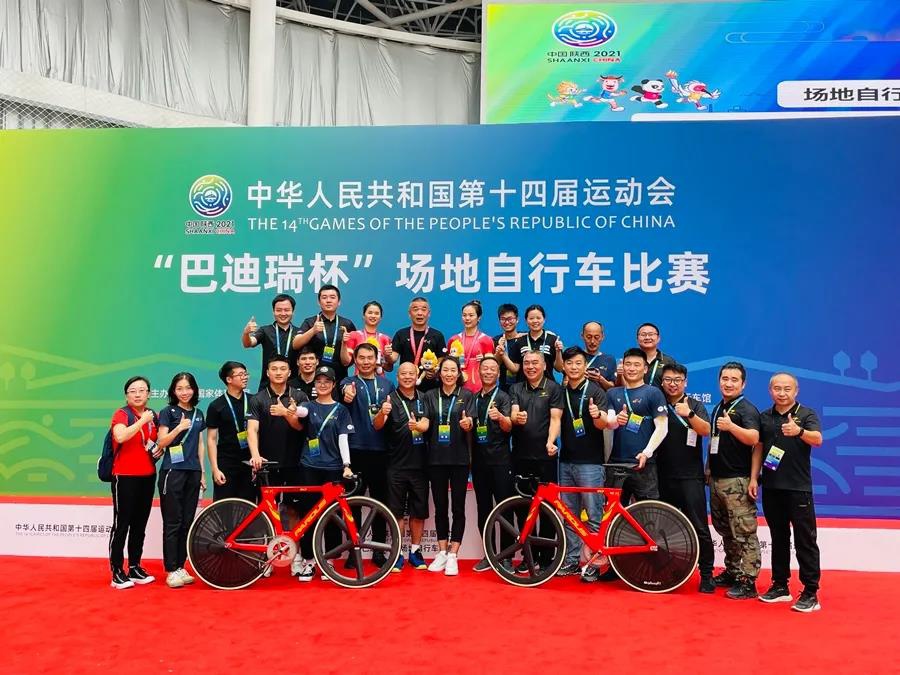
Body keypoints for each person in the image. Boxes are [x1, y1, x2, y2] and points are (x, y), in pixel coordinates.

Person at [755, 372, 823, 612]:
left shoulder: (806, 414)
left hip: (798, 488)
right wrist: (754, 478)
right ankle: (780, 586)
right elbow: (759, 448)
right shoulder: (764, 416)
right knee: (779, 537)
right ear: (770, 390)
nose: (782, 393)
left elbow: (818, 439)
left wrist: (800, 432)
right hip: (771, 486)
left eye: (787, 389)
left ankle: (811, 592)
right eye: (777, 388)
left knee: (805, 540)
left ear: (796, 391)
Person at [291, 366, 355, 581]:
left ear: (334, 384)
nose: (323, 384)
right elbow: (301, 413)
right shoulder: (308, 405)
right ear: (315, 384)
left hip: (333, 469)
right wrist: (293, 409)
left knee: (332, 516)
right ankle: (309, 561)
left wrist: (346, 464)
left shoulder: (341, 410)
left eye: (327, 381)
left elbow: (343, 439)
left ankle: (328, 561)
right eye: (319, 381)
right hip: (309, 467)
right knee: (308, 515)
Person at [657, 363, 715, 593]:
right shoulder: (657, 401)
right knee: (665, 529)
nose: (673, 384)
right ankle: (669, 571)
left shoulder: (695, 404)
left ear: (685, 382)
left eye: (677, 380)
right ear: (662, 382)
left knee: (699, 527)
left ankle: (707, 574)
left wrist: (689, 414)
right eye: (668, 380)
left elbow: (706, 430)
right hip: (662, 475)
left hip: (690, 477)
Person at [707, 361, 762, 600]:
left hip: (737, 481)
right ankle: (732, 571)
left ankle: (749, 581)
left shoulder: (747, 409)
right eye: (725, 379)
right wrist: (708, 470)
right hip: (717, 479)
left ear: (743, 384)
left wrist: (731, 426)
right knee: (725, 530)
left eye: (734, 380)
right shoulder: (719, 407)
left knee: (744, 532)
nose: (728, 383)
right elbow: (714, 441)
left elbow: (754, 438)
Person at [413, 356, 473, 576]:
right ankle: (441, 552)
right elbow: (426, 422)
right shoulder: (430, 395)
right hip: (436, 459)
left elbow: (471, 422)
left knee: (458, 507)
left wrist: (468, 424)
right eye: (445, 370)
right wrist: (418, 425)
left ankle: (453, 554)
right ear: (439, 373)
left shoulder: (467, 395)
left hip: (459, 459)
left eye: (452, 370)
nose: (449, 374)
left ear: (459, 373)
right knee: (440, 507)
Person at [339, 342, 396, 566]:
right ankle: (353, 551)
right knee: (352, 504)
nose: (365, 362)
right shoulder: (348, 382)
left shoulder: (387, 384)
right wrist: (347, 394)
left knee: (379, 504)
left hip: (381, 451)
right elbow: (345, 394)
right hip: (355, 451)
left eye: (369, 358)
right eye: (361, 358)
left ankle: (379, 551)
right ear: (355, 360)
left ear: (376, 360)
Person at [247, 355, 307, 564]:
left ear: (290, 372)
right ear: (267, 372)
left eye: (283, 369)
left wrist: (286, 413)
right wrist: (255, 454)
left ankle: (295, 557)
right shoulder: (257, 399)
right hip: (267, 465)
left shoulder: (299, 396)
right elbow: (252, 429)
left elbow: (301, 427)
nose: (278, 372)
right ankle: (268, 557)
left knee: (293, 510)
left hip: (294, 463)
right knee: (267, 511)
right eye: (274, 369)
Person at [555, 347, 608, 581]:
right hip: (566, 462)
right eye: (570, 363)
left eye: (578, 363)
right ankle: (571, 560)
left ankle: (595, 563)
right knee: (570, 515)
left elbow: (603, 425)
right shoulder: (560, 392)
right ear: (564, 367)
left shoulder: (596, 391)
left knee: (594, 515)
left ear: (585, 366)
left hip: (591, 464)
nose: (574, 367)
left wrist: (597, 415)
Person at [509, 350, 563, 572]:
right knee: (523, 509)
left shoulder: (554, 388)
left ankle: (547, 557)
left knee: (548, 509)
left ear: (544, 365)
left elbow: (556, 419)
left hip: (545, 458)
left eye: (535, 363)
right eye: (527, 363)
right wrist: (516, 418)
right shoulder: (515, 388)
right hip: (520, 457)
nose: (530, 367)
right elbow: (513, 413)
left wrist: (551, 442)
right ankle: (528, 555)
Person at [375, 361, 430, 572]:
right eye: (403, 374)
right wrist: (382, 413)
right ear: (397, 377)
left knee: (418, 512)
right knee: (396, 512)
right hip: (395, 465)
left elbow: (427, 424)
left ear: (416, 376)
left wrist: (421, 426)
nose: (407, 377)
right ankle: (397, 552)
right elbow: (377, 425)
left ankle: (415, 552)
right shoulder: (389, 399)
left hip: (420, 465)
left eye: (411, 373)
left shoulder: (425, 398)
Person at [108, 375, 160, 589]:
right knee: (122, 524)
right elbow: (120, 437)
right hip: (125, 476)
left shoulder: (153, 415)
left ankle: (135, 566)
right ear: (126, 395)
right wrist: (142, 421)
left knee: (140, 524)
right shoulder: (122, 414)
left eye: (142, 390)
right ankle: (117, 571)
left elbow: (155, 442)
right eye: (133, 391)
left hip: (147, 476)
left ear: (149, 394)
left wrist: (158, 450)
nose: (138, 395)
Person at [156, 372, 207, 589]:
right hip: (172, 471)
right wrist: (178, 428)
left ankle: (180, 566)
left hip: (193, 471)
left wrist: (202, 472)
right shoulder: (168, 412)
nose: (184, 392)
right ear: (173, 391)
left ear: (194, 390)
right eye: (179, 388)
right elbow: (161, 441)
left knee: (187, 522)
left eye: (188, 388)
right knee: (173, 522)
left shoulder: (198, 413)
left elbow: (200, 444)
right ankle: (171, 569)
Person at [463, 354, 514, 572]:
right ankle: (489, 554)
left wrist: (500, 417)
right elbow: (470, 429)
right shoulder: (473, 398)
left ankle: (507, 557)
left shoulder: (504, 397)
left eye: (493, 369)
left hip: (501, 461)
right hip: (479, 463)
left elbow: (509, 426)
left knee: (505, 509)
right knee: (483, 509)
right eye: (485, 368)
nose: (488, 372)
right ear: (479, 371)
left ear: (498, 373)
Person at [605, 349, 669, 503]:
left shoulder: (654, 393)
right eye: (628, 364)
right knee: (613, 512)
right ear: (622, 367)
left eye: (636, 365)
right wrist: (617, 420)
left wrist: (646, 453)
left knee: (647, 512)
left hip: (643, 463)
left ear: (645, 369)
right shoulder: (612, 393)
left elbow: (662, 427)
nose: (632, 368)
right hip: (616, 463)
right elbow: (609, 422)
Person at [206, 361, 256, 502]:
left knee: (248, 506)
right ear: (229, 379)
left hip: (249, 462)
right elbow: (211, 439)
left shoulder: (253, 401)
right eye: (240, 375)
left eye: (246, 374)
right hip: (226, 463)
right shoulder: (216, 406)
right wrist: (215, 469)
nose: (245, 377)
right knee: (225, 506)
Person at [295, 284, 357, 382]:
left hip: (340, 376)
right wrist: (313, 330)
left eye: (332, 297)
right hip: (315, 377)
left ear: (339, 302)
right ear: (318, 302)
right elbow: (295, 344)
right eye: (324, 297)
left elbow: (353, 356)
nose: (328, 301)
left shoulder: (347, 324)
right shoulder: (310, 322)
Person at [241, 294, 303, 391]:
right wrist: (246, 333)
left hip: (293, 386)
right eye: (279, 310)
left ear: (293, 311)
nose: (283, 313)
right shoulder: (265, 331)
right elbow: (248, 343)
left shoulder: (300, 333)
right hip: (267, 385)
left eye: (287, 310)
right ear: (273, 311)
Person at [390, 296, 447, 392]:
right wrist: (387, 355)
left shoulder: (437, 335)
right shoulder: (401, 334)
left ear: (429, 313)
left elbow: (442, 359)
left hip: (431, 388)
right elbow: (393, 359)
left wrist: (435, 371)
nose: (419, 313)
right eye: (415, 309)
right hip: (406, 385)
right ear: (409, 313)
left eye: (423, 309)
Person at [501, 304, 563, 382]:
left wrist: (558, 351)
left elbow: (559, 368)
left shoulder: (553, 340)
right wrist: (503, 354)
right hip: (524, 386)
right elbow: (515, 369)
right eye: (531, 318)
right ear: (526, 321)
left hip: (547, 386)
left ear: (544, 319)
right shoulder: (520, 341)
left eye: (538, 318)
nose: (535, 321)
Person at [447, 300, 495, 394]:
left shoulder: (486, 340)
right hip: (457, 385)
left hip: (478, 386)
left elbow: (491, 365)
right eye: (464, 315)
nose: (467, 318)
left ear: (479, 317)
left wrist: (484, 359)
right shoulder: (454, 339)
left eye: (471, 315)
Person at [617, 322, 675, 389]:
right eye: (643, 334)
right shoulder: (628, 360)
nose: (647, 337)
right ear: (637, 339)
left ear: (658, 338)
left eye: (651, 334)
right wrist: (620, 375)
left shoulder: (668, 362)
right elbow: (619, 388)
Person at [343, 300, 394, 374]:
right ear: (363, 316)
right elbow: (345, 362)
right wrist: (344, 343)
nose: (373, 316)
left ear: (380, 317)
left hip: (379, 379)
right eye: (370, 313)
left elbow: (389, 368)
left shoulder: (385, 338)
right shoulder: (354, 335)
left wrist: (386, 357)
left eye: (376, 313)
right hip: (359, 379)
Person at [493, 303, 522, 392]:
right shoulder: (496, 340)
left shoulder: (524, 338)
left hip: (523, 388)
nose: (506, 322)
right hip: (503, 389)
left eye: (510, 319)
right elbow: (495, 364)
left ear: (517, 319)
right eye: (503, 319)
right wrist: (499, 351)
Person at [581, 321, 617, 391]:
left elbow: (613, 389)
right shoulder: (575, 356)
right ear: (582, 336)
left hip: (600, 397)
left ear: (602, 337)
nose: (592, 341)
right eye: (589, 337)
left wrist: (600, 379)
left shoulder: (609, 359)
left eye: (596, 337)